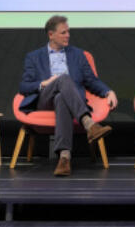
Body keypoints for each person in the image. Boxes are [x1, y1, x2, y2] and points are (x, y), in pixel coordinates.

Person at [18, 15, 118, 176]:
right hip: (44, 98)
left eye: (68, 32)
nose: (68, 35)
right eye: (63, 33)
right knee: (63, 78)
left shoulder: (78, 55)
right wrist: (43, 83)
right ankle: (89, 123)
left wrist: (108, 91)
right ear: (51, 34)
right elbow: (23, 86)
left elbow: (91, 80)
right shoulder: (34, 57)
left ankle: (64, 158)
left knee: (61, 99)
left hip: (68, 100)